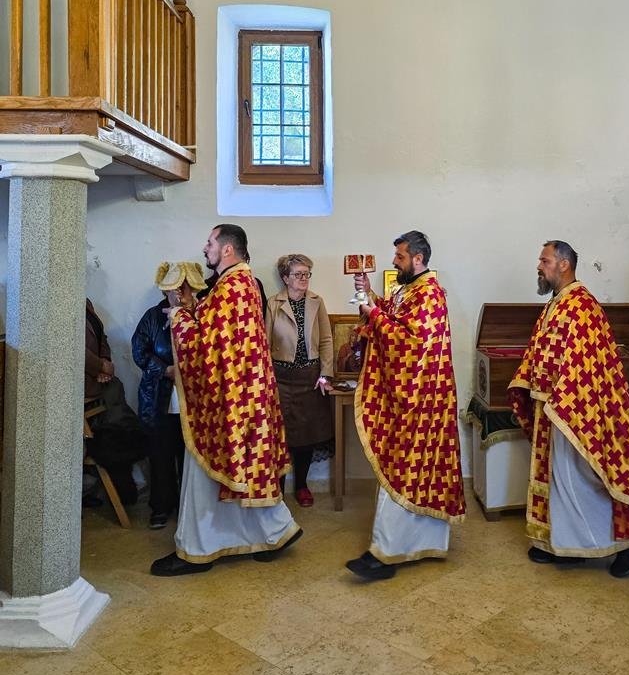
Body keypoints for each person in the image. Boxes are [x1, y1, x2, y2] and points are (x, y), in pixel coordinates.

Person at [508, 241, 629, 578]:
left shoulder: (582, 306)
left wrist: (564, 400)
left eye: (544, 260)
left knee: (584, 477)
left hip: (575, 410)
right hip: (552, 407)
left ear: (564, 264)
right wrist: (528, 384)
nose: (539, 266)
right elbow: (540, 352)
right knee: (561, 480)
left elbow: (587, 365)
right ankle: (571, 545)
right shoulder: (557, 303)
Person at [150, 224, 301, 576]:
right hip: (242, 394)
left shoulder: (232, 286)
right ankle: (274, 532)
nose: (205, 248)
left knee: (206, 471)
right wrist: (191, 308)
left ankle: (198, 548)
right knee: (245, 470)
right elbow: (217, 333)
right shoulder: (238, 284)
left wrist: (178, 314)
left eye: (210, 243)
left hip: (231, 400)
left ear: (227, 249)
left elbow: (205, 345)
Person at [345, 230, 465, 581]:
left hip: (422, 401)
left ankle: (386, 551)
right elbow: (393, 317)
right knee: (407, 469)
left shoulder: (430, 293)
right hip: (412, 399)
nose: (394, 262)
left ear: (418, 258)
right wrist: (370, 296)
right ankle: (413, 544)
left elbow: (410, 342)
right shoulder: (408, 291)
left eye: (399, 257)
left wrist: (372, 313)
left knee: (404, 468)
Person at [132, 262, 206, 529]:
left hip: (194, 402)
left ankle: (190, 508)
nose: (180, 293)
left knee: (191, 458)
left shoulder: (201, 315)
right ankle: (160, 507)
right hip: (159, 399)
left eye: (185, 287)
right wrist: (165, 370)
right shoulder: (152, 317)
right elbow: (139, 351)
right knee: (161, 456)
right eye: (175, 288)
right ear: (165, 290)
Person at [266, 254, 334, 508]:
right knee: (280, 436)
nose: (304, 278)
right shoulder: (273, 303)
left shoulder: (317, 301)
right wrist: (267, 379)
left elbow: (326, 340)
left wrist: (325, 374)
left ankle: (302, 486)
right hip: (281, 379)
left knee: (306, 436)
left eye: (307, 274)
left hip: (310, 379)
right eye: (298, 274)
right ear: (285, 278)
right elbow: (264, 342)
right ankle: (277, 488)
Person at [84, 299, 147, 507]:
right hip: (80, 378)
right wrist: (100, 366)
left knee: (114, 389)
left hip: (97, 376)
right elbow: (72, 346)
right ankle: (123, 451)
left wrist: (105, 362)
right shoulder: (61, 303)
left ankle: (124, 448)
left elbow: (101, 337)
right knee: (114, 393)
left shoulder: (86, 302)